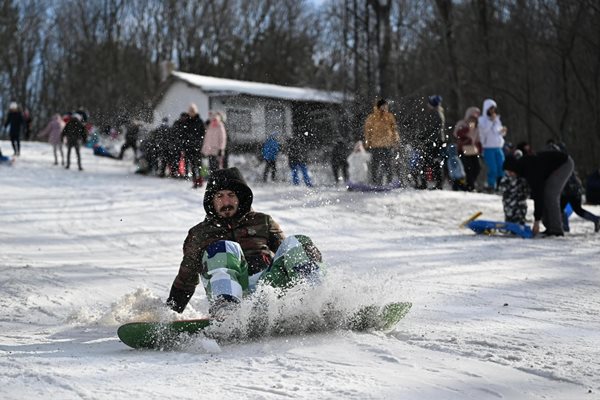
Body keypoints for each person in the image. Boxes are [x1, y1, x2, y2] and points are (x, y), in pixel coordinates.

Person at [165, 167, 324, 316]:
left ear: (240, 198)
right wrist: (170, 314)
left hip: (265, 288)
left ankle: (318, 298)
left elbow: (288, 252)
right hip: (226, 290)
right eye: (220, 196)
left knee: (298, 242)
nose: (226, 202)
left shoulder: (263, 221)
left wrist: (310, 255)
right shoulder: (199, 234)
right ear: (211, 201)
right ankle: (227, 311)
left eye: (231, 195)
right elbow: (186, 279)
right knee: (224, 248)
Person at [503, 149, 574, 236]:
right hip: (552, 167)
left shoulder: (530, 170)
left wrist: (537, 221)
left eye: (510, 172)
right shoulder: (523, 169)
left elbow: (538, 195)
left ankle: (556, 230)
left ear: (514, 168)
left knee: (550, 195)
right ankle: (549, 227)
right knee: (545, 194)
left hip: (564, 164)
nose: (509, 175)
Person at [363, 99, 400, 185]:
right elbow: (367, 131)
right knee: (375, 166)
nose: (386, 107)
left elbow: (394, 130)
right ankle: (375, 183)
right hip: (375, 145)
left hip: (388, 145)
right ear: (379, 106)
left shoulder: (390, 116)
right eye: (384, 105)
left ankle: (389, 182)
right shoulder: (371, 117)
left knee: (388, 165)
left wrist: (396, 141)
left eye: (386, 106)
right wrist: (367, 143)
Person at [478, 98, 508, 192]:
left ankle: (500, 185)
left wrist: (503, 131)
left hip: (498, 147)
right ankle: (491, 185)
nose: (492, 111)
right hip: (488, 148)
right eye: (491, 109)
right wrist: (491, 121)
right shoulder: (482, 120)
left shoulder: (497, 119)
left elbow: (498, 132)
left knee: (501, 167)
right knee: (493, 168)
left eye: (494, 109)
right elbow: (485, 131)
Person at [453, 107, 481, 191]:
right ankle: (469, 186)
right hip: (463, 150)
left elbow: (478, 140)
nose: (473, 120)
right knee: (467, 167)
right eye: (471, 118)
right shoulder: (461, 123)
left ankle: (470, 183)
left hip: (473, 150)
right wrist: (467, 129)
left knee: (477, 168)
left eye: (474, 119)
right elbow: (456, 134)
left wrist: (480, 149)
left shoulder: (477, 128)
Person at [498, 150, 530, 225]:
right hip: (508, 202)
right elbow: (501, 189)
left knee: (520, 214)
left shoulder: (521, 179)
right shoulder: (505, 179)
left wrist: (525, 194)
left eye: (512, 172)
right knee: (509, 214)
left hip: (520, 203)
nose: (510, 173)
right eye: (508, 171)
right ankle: (509, 224)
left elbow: (526, 190)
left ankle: (520, 223)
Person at [184, 104, 206, 188]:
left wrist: (200, 142)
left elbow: (203, 133)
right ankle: (194, 181)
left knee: (199, 164)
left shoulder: (200, 121)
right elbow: (184, 134)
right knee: (192, 165)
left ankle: (200, 179)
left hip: (198, 146)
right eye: (190, 111)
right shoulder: (187, 121)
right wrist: (185, 144)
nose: (191, 112)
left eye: (193, 111)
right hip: (189, 147)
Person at [201, 111, 227, 179]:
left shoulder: (220, 126)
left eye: (215, 119)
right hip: (209, 150)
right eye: (213, 119)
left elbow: (223, 138)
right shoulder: (210, 127)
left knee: (217, 166)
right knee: (211, 166)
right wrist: (204, 150)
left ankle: (219, 179)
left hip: (217, 150)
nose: (214, 121)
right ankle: (213, 179)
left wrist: (221, 149)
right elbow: (206, 139)